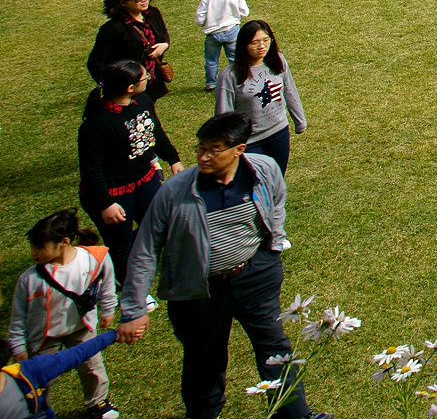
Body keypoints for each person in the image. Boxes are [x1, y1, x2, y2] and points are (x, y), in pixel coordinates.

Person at [113, 111, 313, 419]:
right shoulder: (175, 191)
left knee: (275, 349)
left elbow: (277, 202)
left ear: (239, 150)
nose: (203, 157)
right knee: (204, 359)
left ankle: (296, 415)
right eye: (200, 148)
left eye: (213, 150)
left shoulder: (264, 169)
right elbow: (145, 250)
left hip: (255, 277)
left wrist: (273, 246)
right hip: (199, 291)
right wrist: (134, 308)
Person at [7, 209, 120, 419]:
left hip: (81, 328)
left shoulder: (94, 259)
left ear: (64, 242)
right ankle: (38, 410)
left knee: (92, 367)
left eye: (39, 247)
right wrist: (18, 346)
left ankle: (98, 402)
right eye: (33, 246)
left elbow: (106, 284)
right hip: (44, 337)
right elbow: (18, 317)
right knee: (41, 378)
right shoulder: (29, 279)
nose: (33, 252)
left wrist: (108, 308)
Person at [78, 59, 181, 287]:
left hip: (144, 180)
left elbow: (155, 132)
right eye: (145, 77)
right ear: (129, 87)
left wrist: (173, 159)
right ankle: (130, 286)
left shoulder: (142, 101)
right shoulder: (96, 125)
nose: (149, 79)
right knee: (120, 242)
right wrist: (105, 204)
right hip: (113, 193)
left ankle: (147, 259)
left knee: (160, 223)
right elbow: (91, 169)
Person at [215, 22, 305, 174]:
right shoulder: (229, 75)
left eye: (266, 40)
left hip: (278, 132)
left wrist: (300, 121)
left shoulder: (278, 60)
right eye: (254, 43)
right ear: (243, 45)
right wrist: (228, 145)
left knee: (276, 178)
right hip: (248, 141)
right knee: (256, 181)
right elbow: (224, 114)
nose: (261, 46)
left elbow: (290, 91)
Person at [87, 0, 171, 97]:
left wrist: (164, 45)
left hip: (152, 82)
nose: (145, 0)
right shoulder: (112, 29)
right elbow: (95, 62)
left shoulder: (153, 13)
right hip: (129, 88)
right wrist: (112, 86)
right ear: (122, 2)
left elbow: (163, 34)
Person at [194, 0, 248, 92]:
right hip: (232, 30)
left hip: (212, 33)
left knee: (211, 60)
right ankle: (237, 80)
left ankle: (211, 83)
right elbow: (244, 12)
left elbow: (199, 20)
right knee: (235, 58)